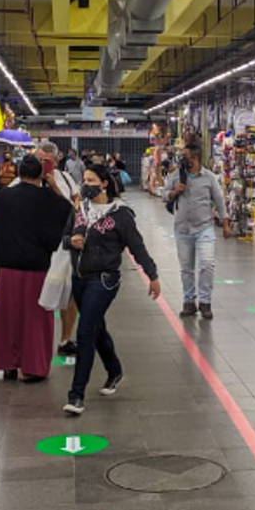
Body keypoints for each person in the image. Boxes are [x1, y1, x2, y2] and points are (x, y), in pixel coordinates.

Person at [62, 165, 160, 415]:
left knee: (85, 331)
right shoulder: (80, 209)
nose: (86, 184)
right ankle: (114, 370)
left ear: (104, 183)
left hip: (105, 279)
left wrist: (152, 275)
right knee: (96, 328)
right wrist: (71, 241)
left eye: (91, 180)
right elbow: (62, 238)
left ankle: (76, 395)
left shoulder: (121, 214)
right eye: (84, 180)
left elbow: (136, 246)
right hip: (79, 277)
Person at [0, 155, 73, 381]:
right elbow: (69, 213)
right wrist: (54, 187)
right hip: (38, 269)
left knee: (8, 319)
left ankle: (9, 365)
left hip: (7, 268)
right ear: (41, 176)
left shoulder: (3, 197)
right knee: (36, 320)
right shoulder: (47, 198)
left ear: (18, 173)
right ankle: (33, 368)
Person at [11, 140, 81, 356]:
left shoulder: (66, 179)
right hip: (31, 248)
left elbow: (75, 207)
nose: (43, 165)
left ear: (56, 160)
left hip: (62, 246)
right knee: (32, 298)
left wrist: (55, 188)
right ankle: (29, 344)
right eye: (39, 160)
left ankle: (65, 339)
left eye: (47, 162)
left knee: (68, 293)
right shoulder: (18, 184)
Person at [164, 143, 230, 319]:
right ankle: (188, 302)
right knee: (186, 268)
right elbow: (164, 194)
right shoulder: (175, 176)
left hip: (204, 227)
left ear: (194, 158)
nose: (181, 158)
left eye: (184, 155)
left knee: (207, 265)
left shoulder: (209, 177)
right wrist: (173, 192)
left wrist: (225, 223)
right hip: (182, 228)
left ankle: (205, 302)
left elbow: (219, 200)